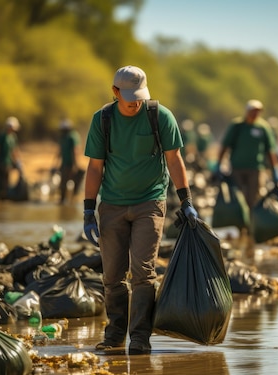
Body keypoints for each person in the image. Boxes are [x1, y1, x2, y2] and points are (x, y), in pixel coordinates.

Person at [82, 65, 198, 355]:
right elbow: (95, 167)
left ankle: (140, 338)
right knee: (112, 276)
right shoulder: (103, 120)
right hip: (111, 205)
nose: (135, 103)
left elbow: (174, 160)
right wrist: (88, 210)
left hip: (150, 202)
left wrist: (187, 202)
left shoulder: (159, 116)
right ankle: (114, 335)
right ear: (115, 92)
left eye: (139, 96)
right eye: (129, 97)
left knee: (144, 273)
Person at [215, 99, 278, 209]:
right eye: (253, 111)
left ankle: (252, 222)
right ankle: (241, 223)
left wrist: (275, 169)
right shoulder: (237, 126)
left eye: (258, 111)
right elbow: (225, 145)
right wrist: (219, 164)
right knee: (238, 198)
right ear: (247, 111)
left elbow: (270, 150)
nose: (255, 114)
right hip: (237, 168)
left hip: (256, 168)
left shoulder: (263, 127)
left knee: (254, 198)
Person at [0, 116, 23, 201]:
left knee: (6, 182)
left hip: (8, 163)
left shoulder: (13, 137)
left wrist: (18, 161)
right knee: (0, 181)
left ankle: (4, 196)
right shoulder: (2, 136)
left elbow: (15, 150)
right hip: (1, 162)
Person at [54, 118, 82, 204]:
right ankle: (66, 200)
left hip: (70, 164)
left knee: (68, 183)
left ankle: (71, 200)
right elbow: (60, 151)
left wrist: (75, 165)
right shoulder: (64, 137)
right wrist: (55, 163)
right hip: (65, 164)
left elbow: (75, 151)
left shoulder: (72, 136)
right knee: (64, 183)